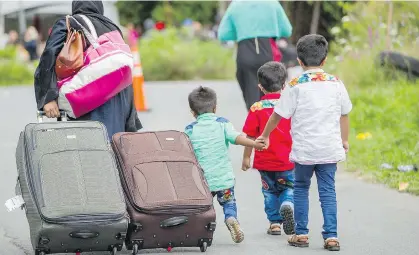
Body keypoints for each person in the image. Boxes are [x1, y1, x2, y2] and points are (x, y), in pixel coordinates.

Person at [256, 34, 352, 251]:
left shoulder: (295, 84)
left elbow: (278, 115)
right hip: (328, 148)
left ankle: (301, 234)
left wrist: (266, 135)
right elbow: (344, 114)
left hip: (304, 151)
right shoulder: (336, 83)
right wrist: (344, 140)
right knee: (328, 191)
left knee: (300, 188)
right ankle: (331, 236)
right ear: (325, 60)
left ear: (299, 61)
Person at [34, 0, 142, 139]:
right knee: (114, 152)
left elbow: (48, 58)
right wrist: (130, 118)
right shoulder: (113, 27)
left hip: (88, 103)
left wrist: (47, 98)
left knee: (87, 152)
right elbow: (123, 71)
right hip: (118, 104)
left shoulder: (70, 23)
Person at [185, 86, 265, 244]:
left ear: (193, 112)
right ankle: (231, 218)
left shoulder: (190, 130)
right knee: (229, 202)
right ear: (215, 107)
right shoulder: (222, 124)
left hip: (201, 182)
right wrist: (254, 143)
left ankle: (203, 231)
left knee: (204, 208)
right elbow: (236, 138)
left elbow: (183, 151)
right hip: (223, 179)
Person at [241, 61, 295, 236]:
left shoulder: (256, 108)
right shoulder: (290, 106)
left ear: (260, 87)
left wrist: (246, 158)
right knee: (288, 187)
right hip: (288, 160)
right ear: (284, 85)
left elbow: (249, 136)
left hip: (264, 161)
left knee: (269, 191)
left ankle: (274, 224)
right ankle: (288, 203)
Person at [217, 0, 292, 110]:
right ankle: (270, 123)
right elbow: (287, 30)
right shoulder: (272, 3)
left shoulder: (236, 5)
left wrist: (241, 33)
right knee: (271, 96)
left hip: (244, 51)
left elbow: (223, 34)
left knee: (251, 98)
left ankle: (254, 122)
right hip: (268, 51)